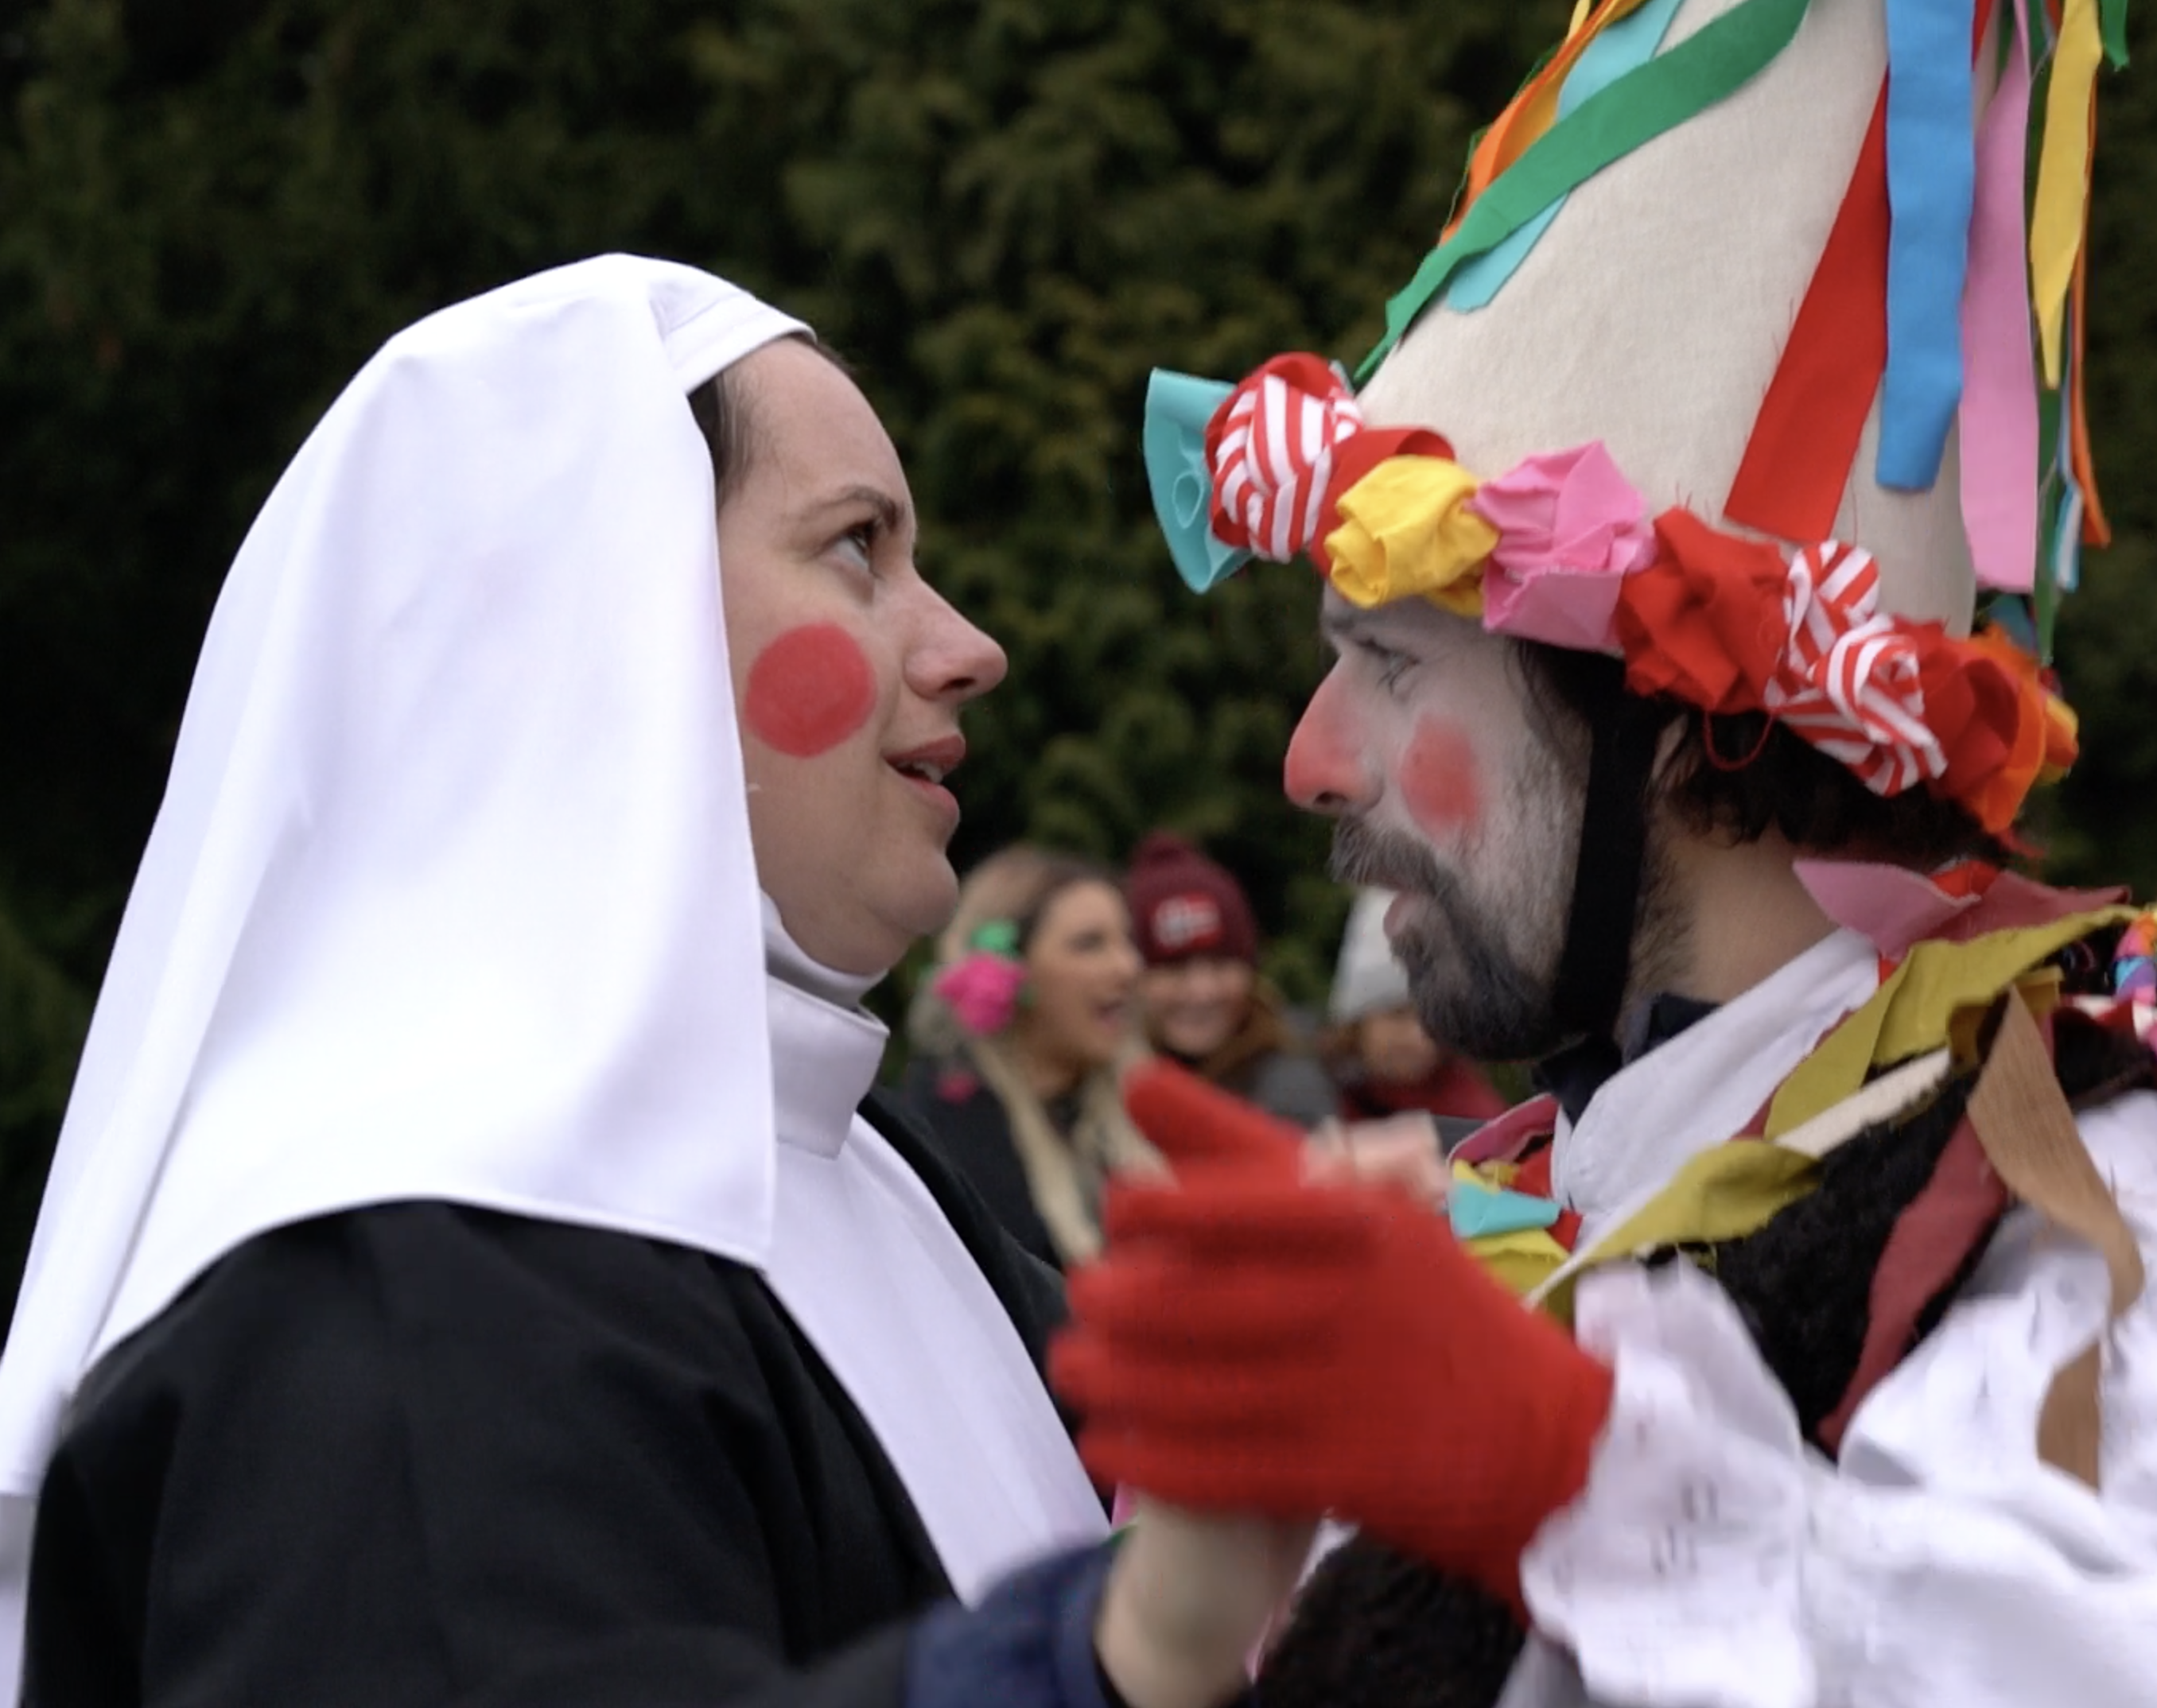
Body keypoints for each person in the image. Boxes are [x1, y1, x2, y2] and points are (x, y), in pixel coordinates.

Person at [1060, 4, 2157, 1702]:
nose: (1309, 763)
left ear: (1682, 725)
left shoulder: (2090, 1222)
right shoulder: (1557, 1185)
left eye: (1389, 664)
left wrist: (1585, 1476)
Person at [0, 257, 1333, 1707]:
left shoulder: (871, 1163)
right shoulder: (377, 1293)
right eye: (857, 548)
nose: (971, 648)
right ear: (595, 624)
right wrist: (1107, 1655)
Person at [892, 845, 1161, 1268]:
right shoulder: (946, 1130)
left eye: (1127, 941)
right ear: (1006, 969)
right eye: (1090, 944)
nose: (1127, 967)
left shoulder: (1146, 1108)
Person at [1125, 831, 1336, 1128]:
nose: (1201, 991)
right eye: (1174, 968)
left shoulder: (1290, 1095)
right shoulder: (1099, 1089)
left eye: (1220, 964)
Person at [1323, 887, 1508, 1126]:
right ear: (1357, 1020)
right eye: (1397, 1015)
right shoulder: (1311, 1102)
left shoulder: (1478, 1124)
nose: (1418, 1037)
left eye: (1432, 1018)